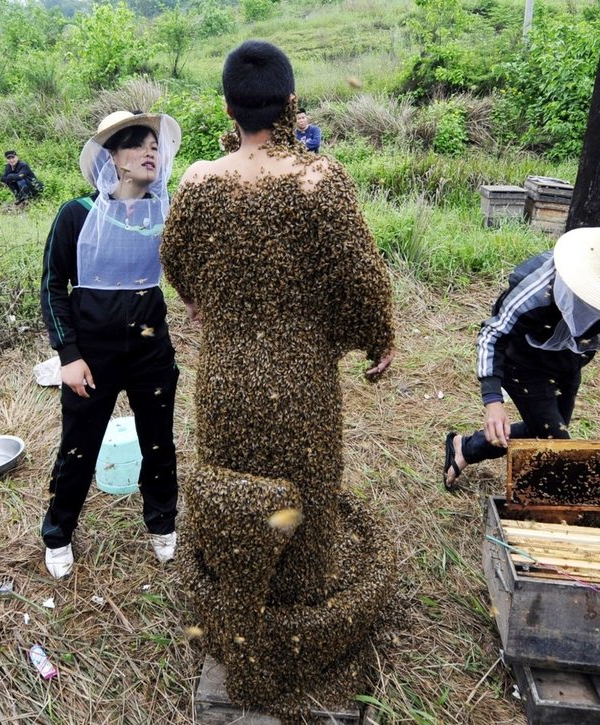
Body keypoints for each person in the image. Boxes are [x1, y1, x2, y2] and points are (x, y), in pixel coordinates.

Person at [159, 41, 395, 714]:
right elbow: (361, 280)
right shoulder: (321, 179)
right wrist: (377, 339)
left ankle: (239, 605)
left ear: (228, 110)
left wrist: (207, 299)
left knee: (236, 491)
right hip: (303, 382)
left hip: (226, 377)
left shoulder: (199, 180)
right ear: (292, 105)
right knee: (307, 498)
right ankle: (294, 599)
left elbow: (175, 261)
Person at [39, 110, 183, 579]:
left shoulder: (168, 212)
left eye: (154, 145)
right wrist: (69, 355)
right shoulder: (77, 214)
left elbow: (187, 271)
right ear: (113, 160)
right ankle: (58, 533)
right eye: (136, 145)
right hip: (93, 356)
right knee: (78, 446)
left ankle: (162, 522)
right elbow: (53, 285)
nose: (149, 152)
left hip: (151, 352)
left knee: (159, 442)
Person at [442, 213, 600, 491]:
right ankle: (492, 464)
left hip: (571, 362)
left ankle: (464, 447)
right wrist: (493, 402)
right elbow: (493, 334)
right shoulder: (542, 285)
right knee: (554, 441)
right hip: (522, 361)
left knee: (545, 429)